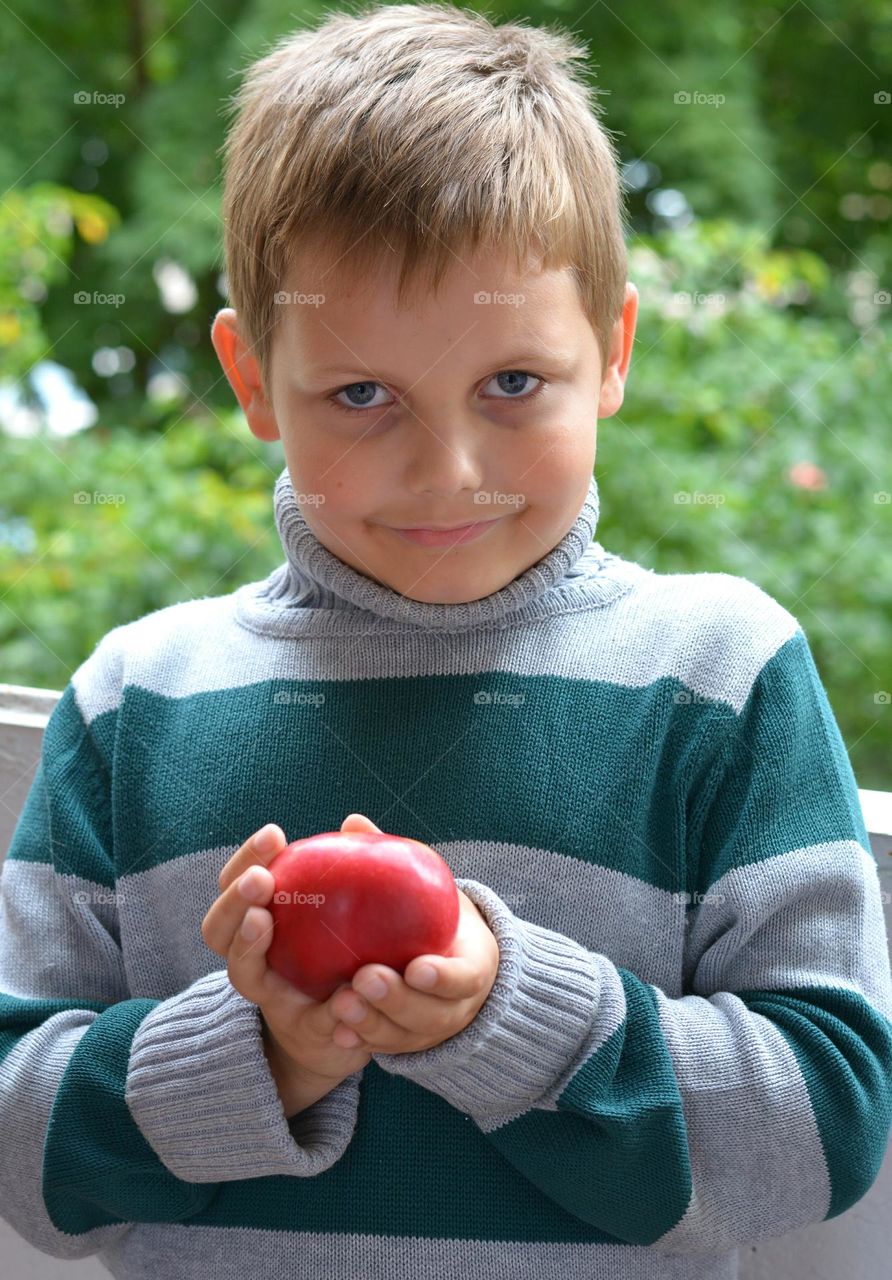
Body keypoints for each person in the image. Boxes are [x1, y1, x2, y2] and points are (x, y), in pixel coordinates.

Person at [2, 3, 891, 1278]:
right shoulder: (136, 700)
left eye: (512, 384)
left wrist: (507, 1012)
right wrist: (259, 1050)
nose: (447, 469)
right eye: (361, 394)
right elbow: (26, 1164)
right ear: (253, 380)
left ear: (616, 350)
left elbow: (822, 1128)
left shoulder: (719, 675)